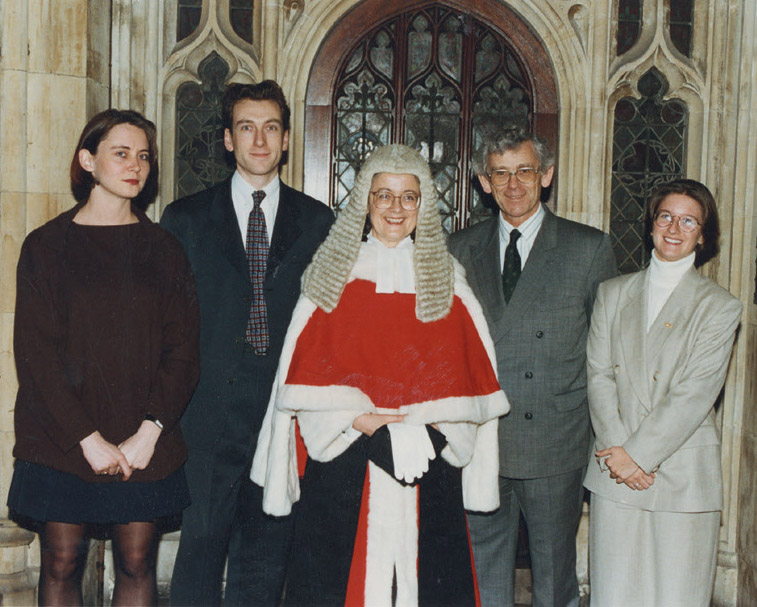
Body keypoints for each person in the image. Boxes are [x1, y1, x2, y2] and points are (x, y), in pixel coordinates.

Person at [251, 144, 509, 606]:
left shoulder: (447, 276)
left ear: (423, 205)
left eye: (409, 197)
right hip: (346, 463)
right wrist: (366, 424)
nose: (396, 208)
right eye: (383, 195)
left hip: (428, 460)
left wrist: (428, 428)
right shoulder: (333, 273)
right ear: (364, 202)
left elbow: (471, 382)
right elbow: (301, 381)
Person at [6, 109, 200, 607]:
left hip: (142, 440)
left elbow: (183, 352)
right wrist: (85, 439)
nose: (135, 165)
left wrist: (150, 431)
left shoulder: (165, 249)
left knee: (136, 565)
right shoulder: (45, 246)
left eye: (143, 156)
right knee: (62, 562)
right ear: (88, 160)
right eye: (121, 153)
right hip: (63, 437)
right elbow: (35, 355)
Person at [162, 80, 334, 606]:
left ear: (285, 140)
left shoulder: (319, 222)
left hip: (282, 418)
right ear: (227, 140)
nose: (259, 140)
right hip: (206, 418)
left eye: (271, 128)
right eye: (246, 127)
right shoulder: (185, 219)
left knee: (264, 565)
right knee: (198, 560)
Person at [448, 125, 617, 607]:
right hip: (483, 440)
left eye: (524, 171)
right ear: (484, 182)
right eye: (500, 174)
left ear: (547, 175)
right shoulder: (459, 248)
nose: (513, 184)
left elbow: (607, 355)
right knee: (484, 573)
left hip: (555, 442)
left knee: (553, 576)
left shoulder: (588, 248)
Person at [583, 179, 741, 607]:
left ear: (703, 235)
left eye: (688, 221)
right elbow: (598, 375)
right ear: (651, 225)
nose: (674, 228)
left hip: (682, 475)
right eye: (665, 216)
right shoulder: (612, 294)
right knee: (614, 594)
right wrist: (619, 453)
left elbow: (695, 393)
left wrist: (638, 456)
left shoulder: (720, 306)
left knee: (678, 596)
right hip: (613, 468)